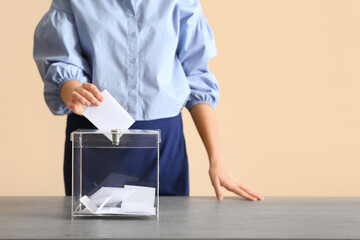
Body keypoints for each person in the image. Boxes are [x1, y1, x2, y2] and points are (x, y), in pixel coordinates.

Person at [33, 0, 264, 201]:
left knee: (168, 229)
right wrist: (73, 90)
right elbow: (61, 64)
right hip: (95, 140)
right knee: (90, 229)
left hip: (165, 147)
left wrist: (217, 159)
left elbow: (197, 77)